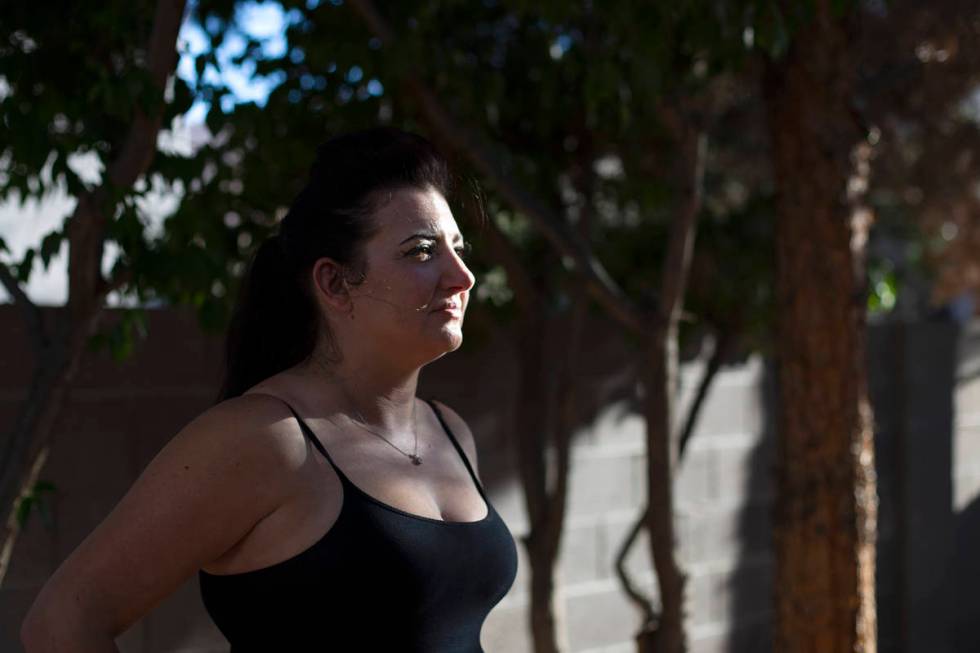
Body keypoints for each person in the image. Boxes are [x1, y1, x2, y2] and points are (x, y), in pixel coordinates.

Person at [21, 127, 519, 652]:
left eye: (458, 249)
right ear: (333, 283)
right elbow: (63, 622)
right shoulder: (263, 439)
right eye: (421, 251)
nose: (462, 276)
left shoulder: (451, 430)